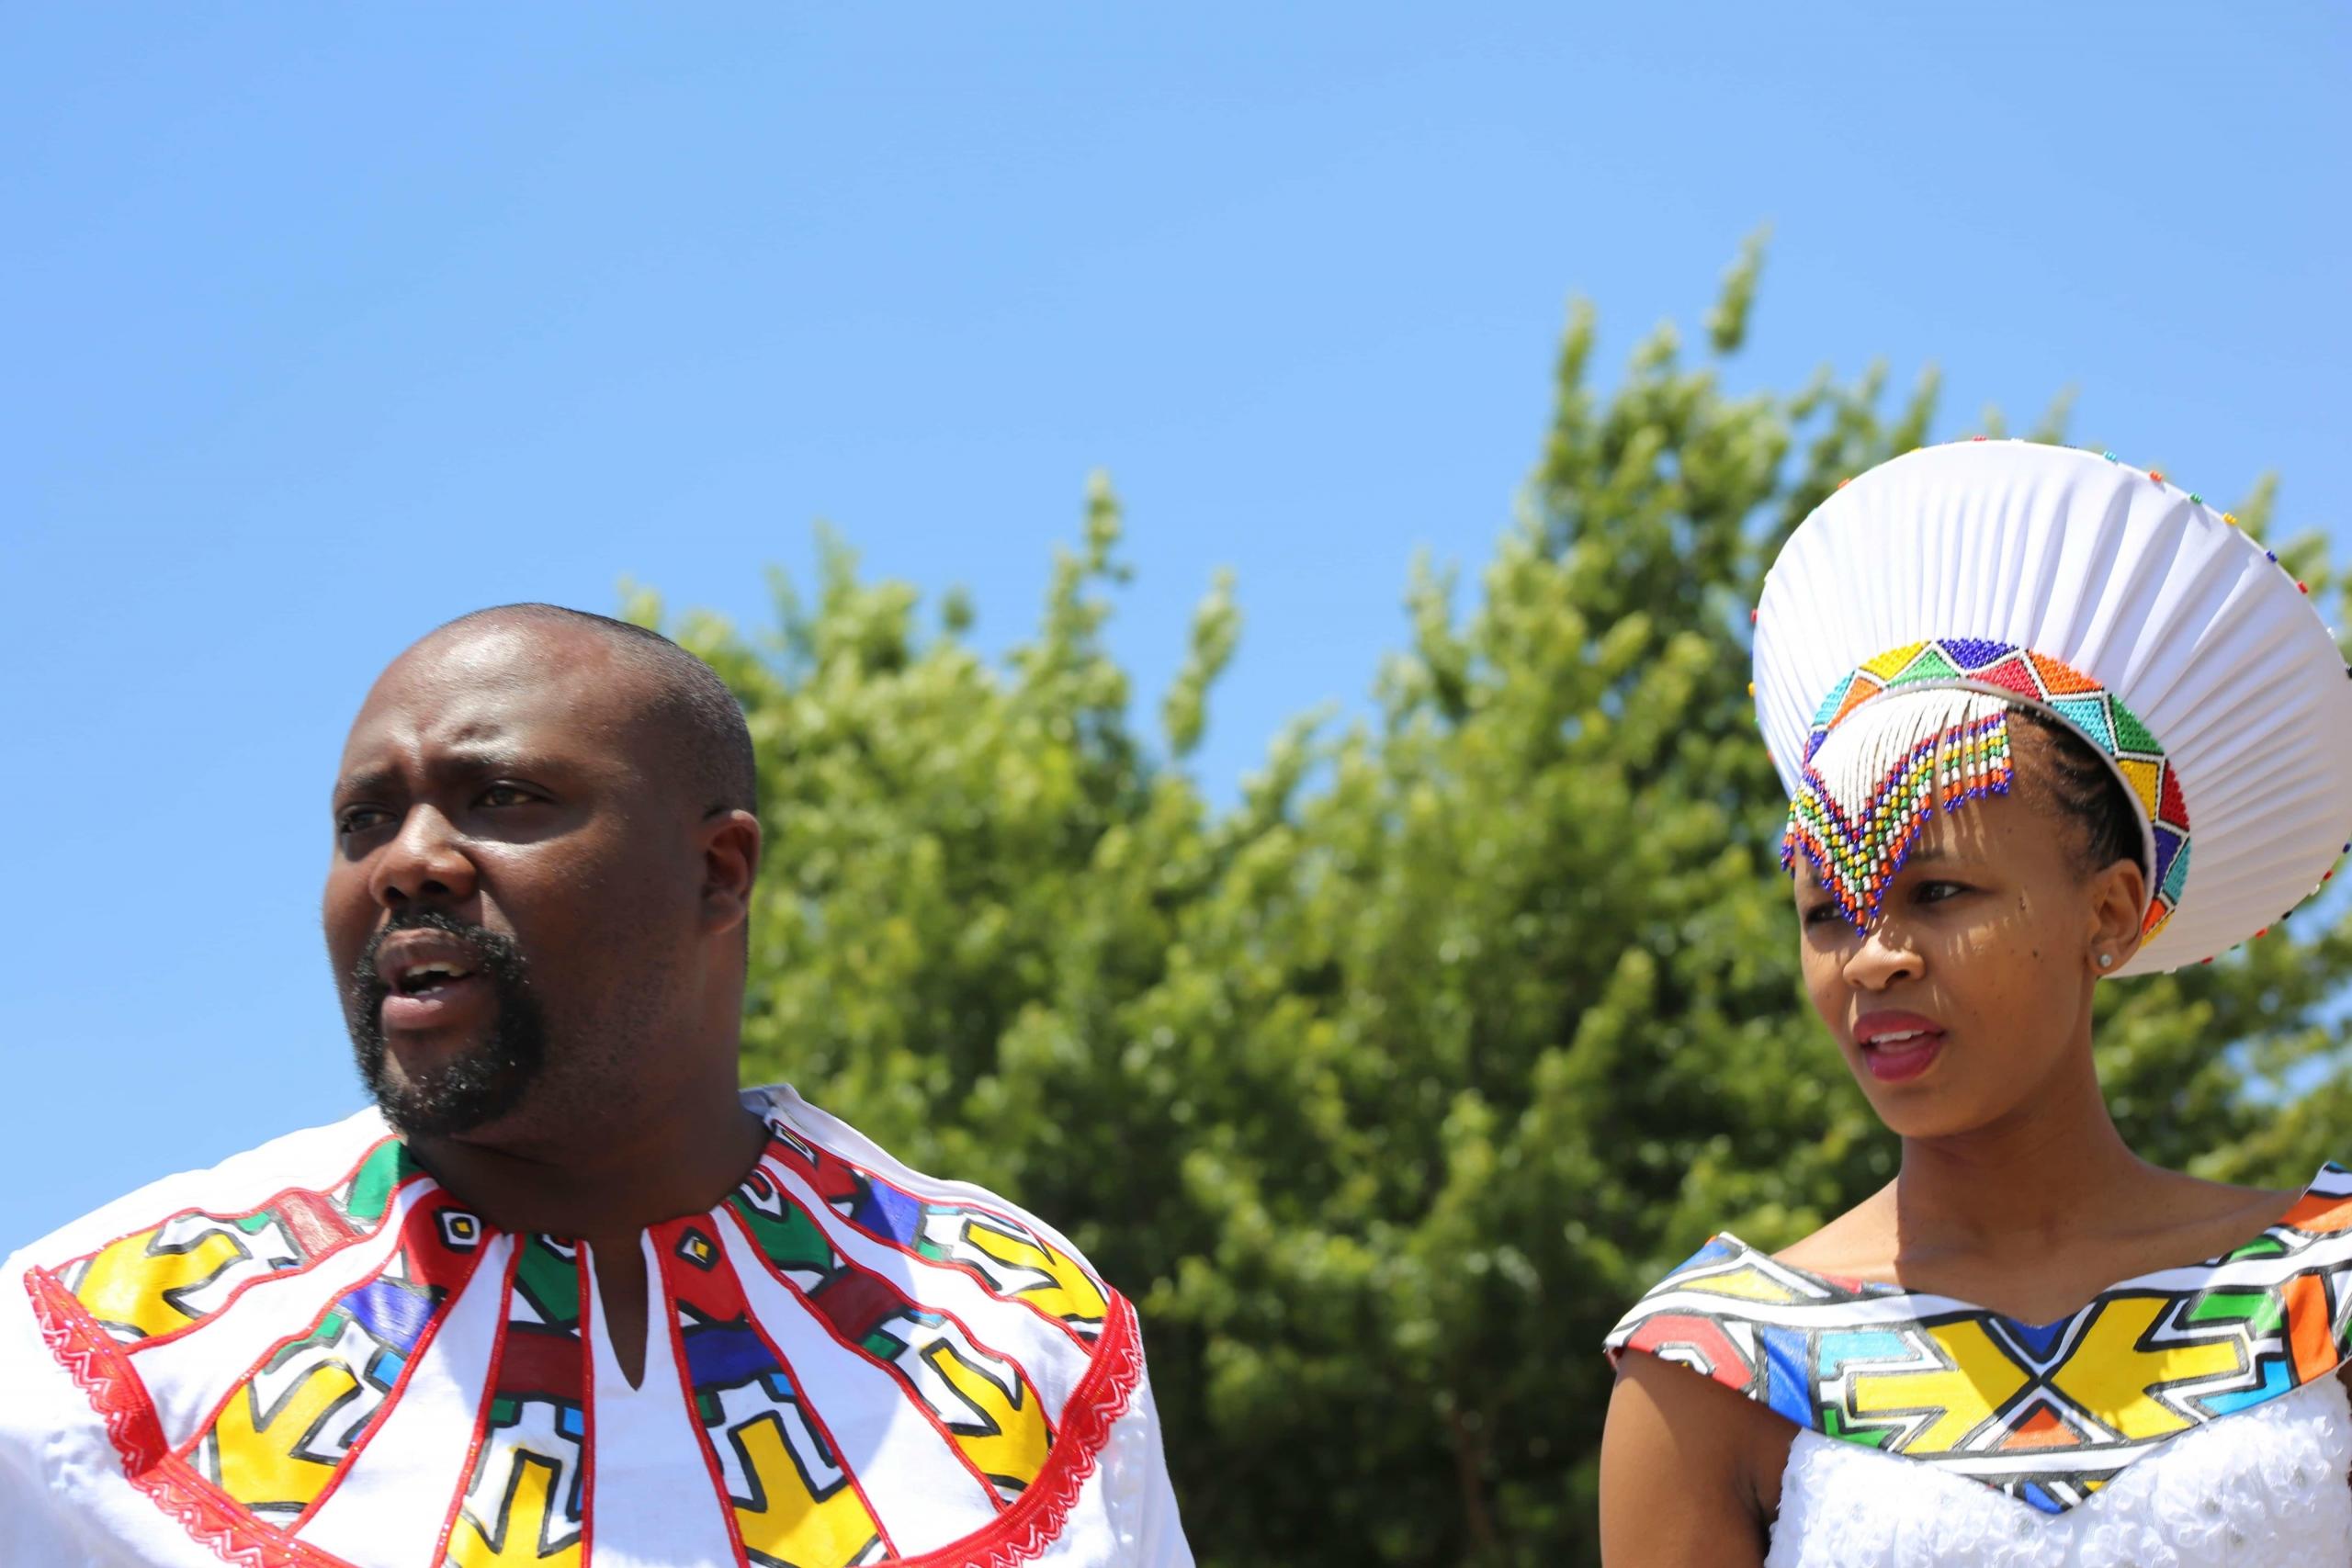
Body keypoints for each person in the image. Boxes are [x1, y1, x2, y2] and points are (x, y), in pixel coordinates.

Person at [0, 605, 1193, 1567]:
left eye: (501, 796)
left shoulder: (1031, 1333)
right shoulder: (83, 1369)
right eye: (364, 819)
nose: (408, 860)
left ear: (718, 872)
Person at [1597, 441, 2352, 1566]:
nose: (1869, 961)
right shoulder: (1718, 1365)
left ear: (2109, 913)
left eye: (1938, 892)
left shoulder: (2324, 1297)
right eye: (1826, 913)